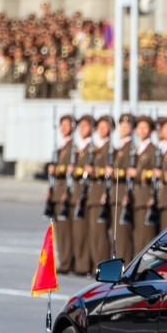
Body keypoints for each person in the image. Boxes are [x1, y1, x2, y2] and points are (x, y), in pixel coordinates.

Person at [50, 114, 75, 274]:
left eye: (67, 125)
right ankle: (64, 260)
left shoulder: (73, 148)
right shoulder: (61, 148)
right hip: (57, 193)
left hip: (67, 193)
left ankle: (67, 262)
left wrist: (58, 169)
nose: (64, 128)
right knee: (60, 231)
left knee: (66, 231)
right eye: (62, 125)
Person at [87, 115, 113, 268]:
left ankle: (101, 265)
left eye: (105, 127)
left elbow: (110, 170)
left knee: (101, 234)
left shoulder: (110, 148)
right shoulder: (97, 147)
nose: (102, 129)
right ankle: (95, 264)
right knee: (94, 233)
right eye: (100, 127)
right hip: (93, 193)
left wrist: (95, 171)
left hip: (102, 193)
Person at [70, 115, 94, 275]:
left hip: (89, 194)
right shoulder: (79, 148)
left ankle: (85, 265)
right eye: (81, 126)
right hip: (78, 192)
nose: (82, 129)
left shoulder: (93, 148)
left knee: (86, 232)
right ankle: (79, 264)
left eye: (86, 126)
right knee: (77, 232)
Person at [131, 116, 158, 253]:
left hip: (145, 195)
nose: (141, 130)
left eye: (145, 127)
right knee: (137, 235)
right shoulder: (136, 149)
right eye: (139, 127)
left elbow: (155, 172)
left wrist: (139, 173)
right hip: (136, 197)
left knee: (145, 236)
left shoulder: (153, 149)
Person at [111, 113, 135, 265]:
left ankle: (124, 265)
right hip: (117, 194)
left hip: (123, 194)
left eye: (127, 126)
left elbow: (128, 173)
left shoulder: (130, 148)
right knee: (118, 234)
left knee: (123, 234)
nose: (123, 129)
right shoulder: (121, 147)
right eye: (122, 126)